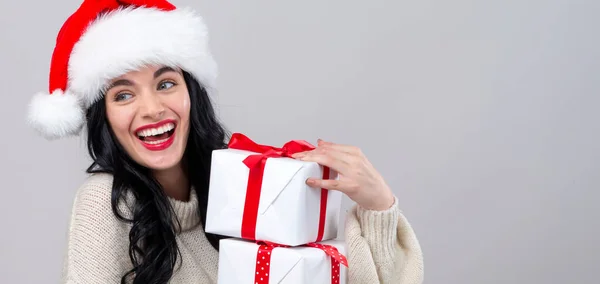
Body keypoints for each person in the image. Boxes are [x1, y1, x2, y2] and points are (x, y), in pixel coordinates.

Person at [27, 0, 424, 283]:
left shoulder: (242, 179)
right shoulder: (106, 203)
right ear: (105, 119)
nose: (151, 109)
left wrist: (378, 206)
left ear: (191, 94)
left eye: (166, 83)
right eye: (124, 94)